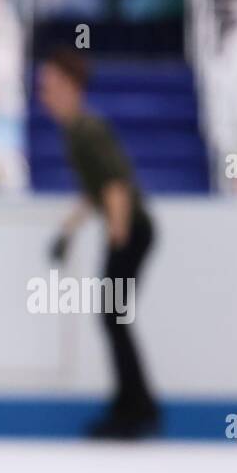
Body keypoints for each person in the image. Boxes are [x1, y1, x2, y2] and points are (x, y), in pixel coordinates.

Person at [39, 47, 162, 439]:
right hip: (124, 228)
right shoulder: (75, 130)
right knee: (113, 318)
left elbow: (115, 184)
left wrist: (117, 236)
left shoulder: (88, 129)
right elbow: (97, 190)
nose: (47, 94)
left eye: (54, 85)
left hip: (130, 230)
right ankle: (133, 402)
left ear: (73, 87)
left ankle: (135, 406)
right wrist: (69, 229)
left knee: (113, 317)